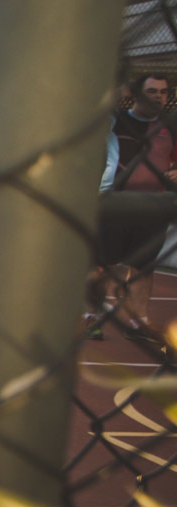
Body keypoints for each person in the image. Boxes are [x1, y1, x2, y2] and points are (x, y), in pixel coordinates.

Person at [91, 73, 177, 346]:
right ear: (137, 94)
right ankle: (91, 316)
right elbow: (95, 108)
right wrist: (125, 89)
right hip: (115, 201)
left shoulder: (169, 125)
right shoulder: (115, 119)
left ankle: (137, 321)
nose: (158, 97)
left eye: (163, 92)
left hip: (154, 205)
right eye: (152, 91)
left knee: (143, 267)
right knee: (103, 265)